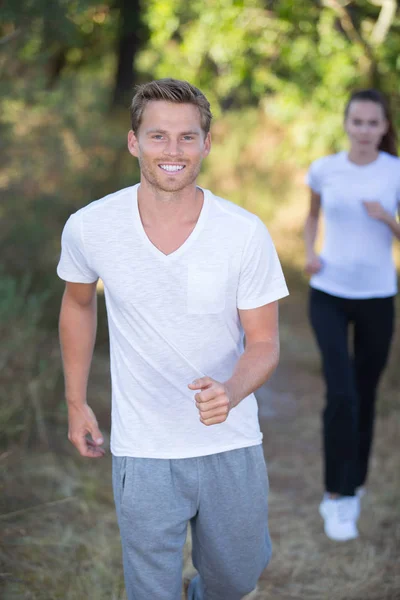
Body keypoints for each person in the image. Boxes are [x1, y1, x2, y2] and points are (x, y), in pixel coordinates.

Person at [57, 78, 289, 600]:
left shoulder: (243, 232)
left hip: (229, 442)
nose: (173, 151)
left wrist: (230, 391)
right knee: (149, 589)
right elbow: (76, 303)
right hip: (143, 448)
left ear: (208, 144)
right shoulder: (91, 226)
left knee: (236, 578)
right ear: (134, 141)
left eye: (188, 137)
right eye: (158, 136)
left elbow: (265, 342)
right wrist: (76, 402)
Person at [304, 89, 400, 542]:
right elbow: (311, 216)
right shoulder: (325, 169)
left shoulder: (395, 172)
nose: (364, 130)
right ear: (346, 124)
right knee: (340, 393)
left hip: (378, 296)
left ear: (384, 127)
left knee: (364, 393)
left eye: (372, 123)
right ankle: (335, 496)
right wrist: (308, 252)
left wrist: (388, 219)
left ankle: (355, 485)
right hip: (329, 293)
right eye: (356, 122)